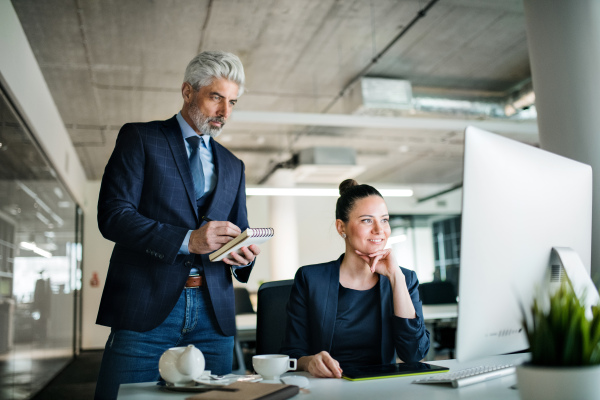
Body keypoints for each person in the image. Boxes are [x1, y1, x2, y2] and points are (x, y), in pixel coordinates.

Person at [94, 51, 260, 399]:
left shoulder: (233, 165)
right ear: (188, 92)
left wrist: (243, 256)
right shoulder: (141, 138)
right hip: (145, 304)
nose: (225, 112)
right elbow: (113, 215)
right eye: (216, 97)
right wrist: (188, 240)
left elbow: (238, 230)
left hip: (214, 314)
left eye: (232, 102)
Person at [281, 179, 430, 378]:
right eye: (367, 220)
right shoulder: (311, 279)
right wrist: (309, 362)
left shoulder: (405, 278)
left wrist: (396, 278)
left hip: (382, 386)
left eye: (384, 220)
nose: (379, 230)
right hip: (327, 387)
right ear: (341, 227)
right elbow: (291, 353)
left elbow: (414, 354)